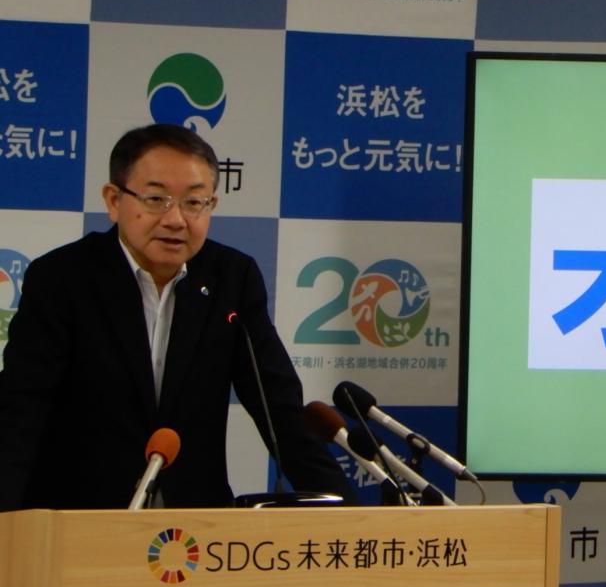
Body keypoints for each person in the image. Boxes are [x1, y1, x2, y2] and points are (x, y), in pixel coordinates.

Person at [0, 123, 355, 509]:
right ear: (114, 200)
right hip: (83, 516)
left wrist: (349, 514)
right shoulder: (62, 278)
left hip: (193, 520)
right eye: (156, 199)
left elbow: (279, 408)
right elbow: (21, 412)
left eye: (193, 202)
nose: (176, 219)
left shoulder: (231, 279)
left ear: (211, 205)